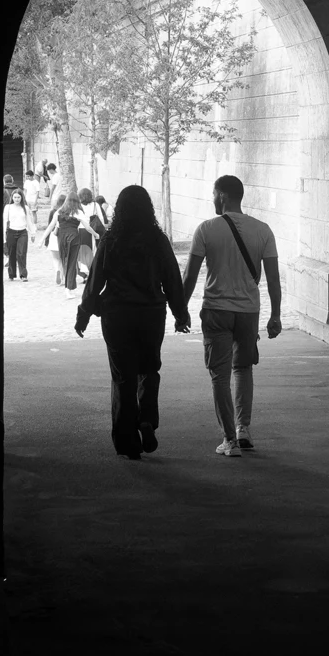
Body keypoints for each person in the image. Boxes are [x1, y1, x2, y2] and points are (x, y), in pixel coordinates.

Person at [76, 185, 191, 457]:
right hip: (151, 315)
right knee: (149, 368)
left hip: (117, 316)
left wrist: (83, 314)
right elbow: (172, 279)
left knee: (123, 377)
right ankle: (147, 418)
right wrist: (180, 314)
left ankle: (128, 442)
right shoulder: (158, 240)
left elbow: (94, 283)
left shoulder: (111, 239)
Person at [180, 174, 282, 456]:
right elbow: (273, 280)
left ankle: (229, 440)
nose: (212, 199)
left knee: (220, 375)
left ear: (222, 195)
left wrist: (180, 309)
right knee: (244, 369)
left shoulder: (206, 230)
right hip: (248, 312)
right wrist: (275, 315)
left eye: (214, 194)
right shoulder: (263, 230)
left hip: (216, 310)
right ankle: (243, 429)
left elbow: (189, 275)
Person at [2, 188, 32, 280]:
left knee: (21, 253)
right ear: (12, 197)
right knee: (11, 253)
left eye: (18, 197)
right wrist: (4, 236)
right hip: (11, 231)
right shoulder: (8, 207)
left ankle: (23, 275)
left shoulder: (25, 208)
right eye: (15, 197)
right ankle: (11, 274)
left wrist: (33, 232)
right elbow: (4, 221)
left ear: (22, 198)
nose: (17, 199)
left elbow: (29, 221)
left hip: (23, 232)